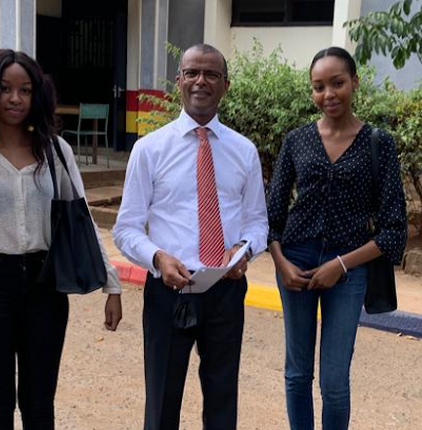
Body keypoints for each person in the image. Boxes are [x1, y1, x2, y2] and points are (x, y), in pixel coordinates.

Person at [0, 49, 123, 430]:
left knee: (40, 405)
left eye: (25, 90)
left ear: (35, 95)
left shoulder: (55, 151)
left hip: (45, 289)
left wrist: (113, 284)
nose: (15, 98)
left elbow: (82, 218)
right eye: (5, 89)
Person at [113, 43, 268, 430]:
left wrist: (244, 249)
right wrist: (157, 258)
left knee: (221, 400)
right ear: (179, 81)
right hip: (169, 292)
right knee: (162, 402)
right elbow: (126, 228)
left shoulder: (244, 151)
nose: (202, 81)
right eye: (193, 73)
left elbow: (257, 224)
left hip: (225, 291)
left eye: (211, 74)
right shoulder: (149, 149)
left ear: (225, 85)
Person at [266, 46, 407, 430]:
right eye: (318, 86)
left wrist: (340, 265)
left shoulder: (379, 143)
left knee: (334, 381)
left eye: (337, 83)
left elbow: (395, 229)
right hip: (294, 260)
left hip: (349, 267)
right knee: (296, 372)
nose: (327, 94)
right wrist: (281, 263)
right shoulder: (297, 141)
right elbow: (272, 215)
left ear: (355, 83)